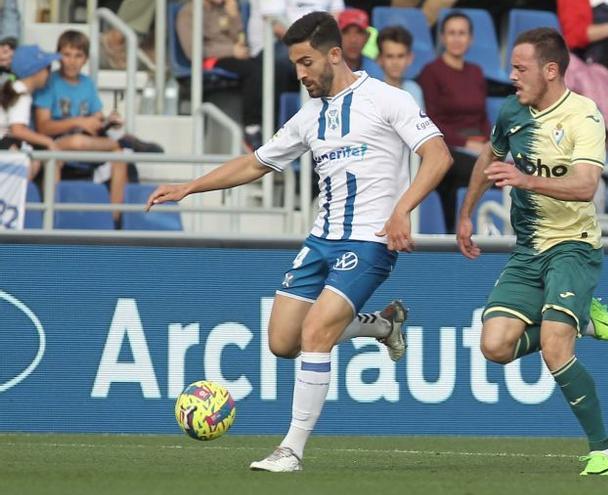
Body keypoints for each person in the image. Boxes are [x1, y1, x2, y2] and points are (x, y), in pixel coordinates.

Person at [147, 11, 453, 472]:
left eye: (307, 62)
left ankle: (290, 450)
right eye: (295, 65)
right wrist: (190, 186)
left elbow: (438, 155)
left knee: (315, 334)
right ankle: (382, 326)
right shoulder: (309, 117)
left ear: (335, 54)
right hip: (320, 240)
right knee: (283, 341)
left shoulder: (387, 100)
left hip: (369, 242)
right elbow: (255, 164)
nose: (301, 74)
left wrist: (402, 209)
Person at [456, 27, 608, 477]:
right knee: (494, 346)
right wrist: (466, 214)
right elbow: (488, 157)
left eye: (521, 68)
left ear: (552, 70)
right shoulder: (512, 111)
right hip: (528, 249)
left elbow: (584, 186)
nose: (512, 76)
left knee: (556, 348)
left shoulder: (584, 116)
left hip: (573, 247)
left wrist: (527, 180)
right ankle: (584, 318)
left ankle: (604, 452)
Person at [32, 31, 130, 218]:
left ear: (85, 59)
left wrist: (110, 122)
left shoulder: (87, 83)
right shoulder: (49, 81)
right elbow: (43, 126)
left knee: (120, 156)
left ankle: (114, 220)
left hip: (86, 142)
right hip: (56, 142)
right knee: (76, 142)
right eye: (67, 55)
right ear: (59, 55)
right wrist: (78, 121)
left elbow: (97, 118)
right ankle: (52, 219)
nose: (72, 61)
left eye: (78, 56)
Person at [418, 11, 491, 232]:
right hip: (450, 145)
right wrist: (466, 144)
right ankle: (456, 233)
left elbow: (483, 118)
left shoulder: (476, 72)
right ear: (442, 37)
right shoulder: (431, 72)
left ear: (470, 38)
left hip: (480, 144)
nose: (457, 39)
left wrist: (491, 145)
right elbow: (432, 120)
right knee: (465, 169)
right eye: (451, 33)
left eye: (462, 33)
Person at [177, 0, 263, 149]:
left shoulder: (227, 9)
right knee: (252, 70)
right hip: (210, 60)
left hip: (234, 57)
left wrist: (234, 17)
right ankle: (251, 127)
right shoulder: (189, 12)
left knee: (265, 65)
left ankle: (268, 123)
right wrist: (231, 51)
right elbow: (193, 51)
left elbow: (240, 40)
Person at [2, 45, 59, 180]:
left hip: (5, 143)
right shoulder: (21, 95)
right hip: (3, 145)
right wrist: (48, 141)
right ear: (36, 72)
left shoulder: (15, 88)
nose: (49, 73)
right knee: (33, 162)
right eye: (48, 68)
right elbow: (18, 130)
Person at [376, 25, 423, 108]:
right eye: (389, 56)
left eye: (400, 56)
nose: (395, 62)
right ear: (379, 59)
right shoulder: (372, 91)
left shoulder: (414, 89)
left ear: (410, 58)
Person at [338, 8, 383, 78]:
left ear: (367, 37)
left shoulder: (375, 71)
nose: (353, 40)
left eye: (359, 32)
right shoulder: (326, 69)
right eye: (346, 32)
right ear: (337, 36)